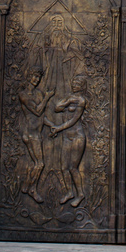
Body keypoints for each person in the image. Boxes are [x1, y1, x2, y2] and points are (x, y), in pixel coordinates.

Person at [47, 73, 88, 207]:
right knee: (63, 167)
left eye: (78, 84)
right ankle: (69, 192)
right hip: (66, 137)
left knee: (73, 167)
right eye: (74, 82)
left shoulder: (81, 101)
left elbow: (73, 120)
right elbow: (57, 107)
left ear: (82, 86)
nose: (75, 85)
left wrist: (58, 128)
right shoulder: (71, 98)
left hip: (77, 136)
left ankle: (80, 194)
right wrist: (69, 100)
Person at [18, 67, 54, 203]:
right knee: (40, 164)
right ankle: (30, 188)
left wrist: (52, 126)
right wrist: (47, 97)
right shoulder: (23, 95)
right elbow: (37, 111)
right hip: (30, 134)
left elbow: (41, 117)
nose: (36, 80)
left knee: (37, 163)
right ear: (29, 76)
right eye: (34, 76)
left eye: (38, 78)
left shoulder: (38, 94)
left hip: (37, 132)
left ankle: (27, 187)